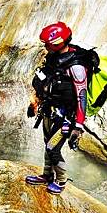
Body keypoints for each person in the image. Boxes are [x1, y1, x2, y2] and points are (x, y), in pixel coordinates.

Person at [25, 22, 87, 195]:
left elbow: (82, 96)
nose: (45, 47)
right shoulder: (53, 59)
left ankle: (61, 181)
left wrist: (78, 126)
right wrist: (34, 104)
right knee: (47, 144)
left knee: (53, 148)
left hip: (66, 117)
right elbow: (43, 84)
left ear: (57, 42)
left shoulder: (76, 67)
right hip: (49, 111)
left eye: (47, 44)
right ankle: (47, 175)